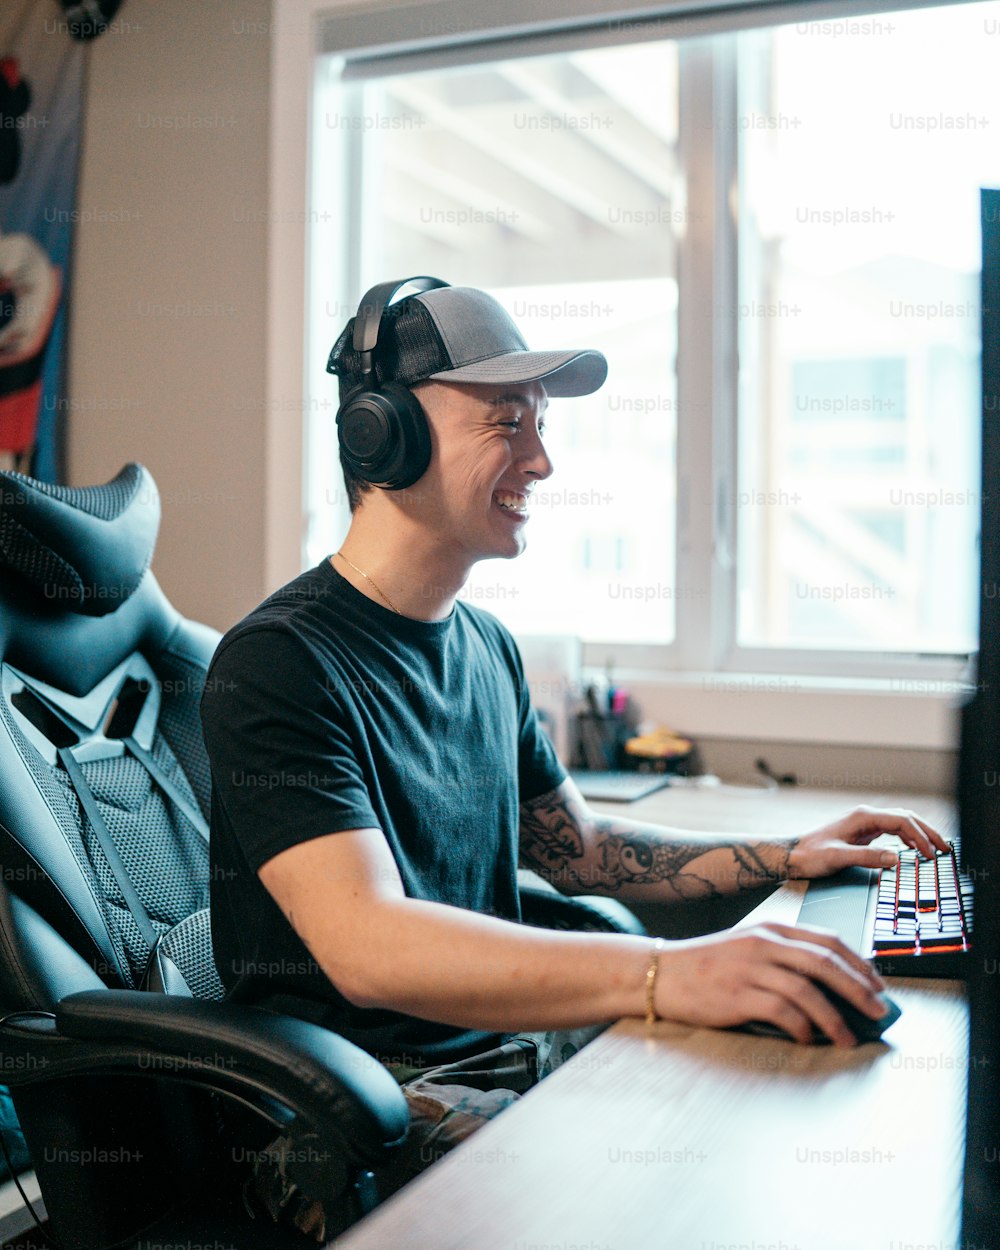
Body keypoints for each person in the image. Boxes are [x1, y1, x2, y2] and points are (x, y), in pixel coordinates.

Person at [200, 277, 947, 1240]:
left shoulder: (487, 650)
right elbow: (369, 946)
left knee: (745, 1127)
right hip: (347, 1122)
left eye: (540, 424)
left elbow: (581, 853)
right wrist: (661, 972)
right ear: (383, 436)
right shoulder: (280, 663)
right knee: (649, 1194)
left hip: (500, 1061)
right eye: (508, 423)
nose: (542, 461)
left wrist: (787, 852)